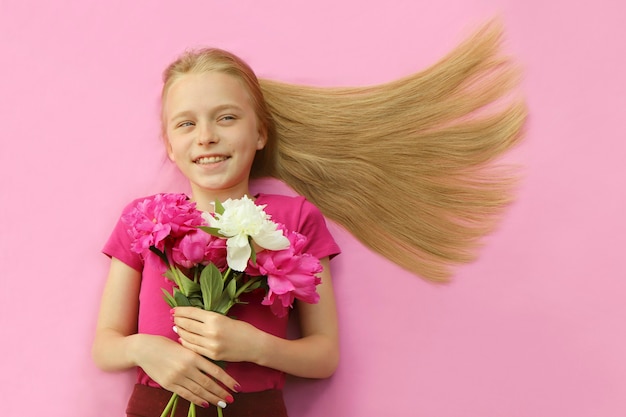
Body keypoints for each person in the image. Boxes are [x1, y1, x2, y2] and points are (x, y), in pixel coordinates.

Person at [93, 20, 525, 416]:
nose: (206, 135)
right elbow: (106, 344)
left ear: (260, 132)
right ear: (169, 145)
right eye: (185, 124)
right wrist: (148, 351)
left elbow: (323, 357)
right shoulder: (143, 218)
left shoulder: (295, 218)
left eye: (226, 118)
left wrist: (254, 346)